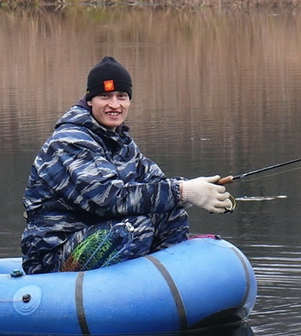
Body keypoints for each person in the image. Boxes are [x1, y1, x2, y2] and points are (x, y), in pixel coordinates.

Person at [21, 56, 232, 275]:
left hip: (97, 235)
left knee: (171, 215)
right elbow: (109, 198)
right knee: (134, 228)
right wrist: (182, 192)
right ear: (90, 100)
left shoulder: (121, 143)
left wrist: (191, 190)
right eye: (105, 96)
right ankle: (130, 293)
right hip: (53, 256)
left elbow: (154, 183)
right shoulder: (70, 141)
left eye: (121, 96)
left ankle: (166, 285)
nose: (115, 105)